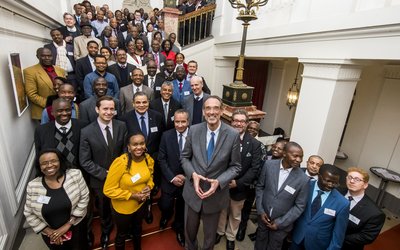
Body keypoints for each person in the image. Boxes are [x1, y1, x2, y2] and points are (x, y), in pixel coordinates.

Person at [181, 95, 241, 250]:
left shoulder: (233, 135)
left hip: (215, 196)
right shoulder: (193, 130)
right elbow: (184, 158)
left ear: (221, 111)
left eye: (216, 108)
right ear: (203, 112)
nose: (212, 112)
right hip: (192, 194)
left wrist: (219, 182)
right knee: (189, 233)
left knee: (209, 238)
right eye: (208, 108)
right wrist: (193, 175)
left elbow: (235, 166)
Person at [79, 96, 127, 249]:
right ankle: (106, 231)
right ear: (97, 109)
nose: (109, 112)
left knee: (121, 205)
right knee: (104, 208)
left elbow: (126, 151)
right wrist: (107, 174)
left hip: (122, 177)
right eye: (105, 109)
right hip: (100, 180)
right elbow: (85, 161)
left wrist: (120, 172)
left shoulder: (122, 126)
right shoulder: (86, 132)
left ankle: (124, 230)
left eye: (112, 109)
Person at [24, 149, 89, 249]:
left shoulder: (75, 175)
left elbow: (84, 198)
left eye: (53, 161)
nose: (49, 165)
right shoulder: (33, 186)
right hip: (51, 235)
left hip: (76, 228)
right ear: (40, 167)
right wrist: (51, 233)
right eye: (44, 163)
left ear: (60, 161)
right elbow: (29, 213)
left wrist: (67, 225)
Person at [216, 109, 262, 250]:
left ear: (246, 124)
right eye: (236, 120)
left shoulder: (254, 144)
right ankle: (219, 232)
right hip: (222, 184)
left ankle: (231, 236)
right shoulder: (221, 138)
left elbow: (254, 169)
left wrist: (238, 183)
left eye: (242, 121)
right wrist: (223, 179)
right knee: (221, 211)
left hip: (240, 187)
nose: (238, 124)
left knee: (235, 215)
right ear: (231, 122)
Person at [254, 141, 309, 250]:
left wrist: (280, 223)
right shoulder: (269, 165)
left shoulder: (303, 179)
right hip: (263, 218)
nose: (299, 160)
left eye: (301, 157)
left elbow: (300, 206)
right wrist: (261, 211)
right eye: (295, 156)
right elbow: (260, 187)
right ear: (284, 153)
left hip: (281, 226)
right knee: (259, 243)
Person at [103, 132, 154, 250]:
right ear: (129, 147)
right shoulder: (120, 162)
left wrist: (149, 186)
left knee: (137, 229)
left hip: (141, 203)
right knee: (122, 235)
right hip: (123, 208)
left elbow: (150, 176)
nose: (139, 147)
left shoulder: (148, 159)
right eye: (135, 144)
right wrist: (132, 195)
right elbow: (108, 190)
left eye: (142, 143)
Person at [121, 91, 165, 224]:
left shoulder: (157, 116)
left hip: (153, 161)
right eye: (138, 102)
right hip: (134, 162)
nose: (141, 105)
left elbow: (161, 138)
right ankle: (136, 211)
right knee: (137, 187)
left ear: (148, 102)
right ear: (133, 104)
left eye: (144, 102)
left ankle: (148, 209)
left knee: (149, 187)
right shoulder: (125, 119)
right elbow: (124, 142)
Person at [290, 164, 350, 250]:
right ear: (318, 176)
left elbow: (338, 235)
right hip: (296, 238)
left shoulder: (342, 203)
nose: (331, 185)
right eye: (328, 181)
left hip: (318, 245)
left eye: (335, 183)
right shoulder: (304, 186)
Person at [158, 109, 189, 246]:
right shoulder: (166, 135)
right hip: (169, 179)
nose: (180, 125)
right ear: (173, 121)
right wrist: (172, 177)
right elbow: (161, 159)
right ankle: (166, 216)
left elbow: (198, 159)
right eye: (177, 122)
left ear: (188, 121)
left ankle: (178, 229)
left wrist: (186, 177)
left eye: (183, 122)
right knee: (165, 205)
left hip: (187, 180)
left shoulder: (195, 136)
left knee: (182, 208)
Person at [34, 98, 85, 172]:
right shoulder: (41, 131)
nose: (64, 113)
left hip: (81, 174)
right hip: (55, 175)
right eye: (60, 111)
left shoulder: (83, 126)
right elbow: (40, 157)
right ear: (52, 113)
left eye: (67, 110)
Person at [341, 167, 385, 250]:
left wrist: (337, 237)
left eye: (357, 179)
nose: (352, 181)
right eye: (350, 177)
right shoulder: (336, 192)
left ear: (365, 185)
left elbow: (366, 236)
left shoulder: (375, 213)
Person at [24, 48, 66, 121]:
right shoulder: (29, 71)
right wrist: (51, 104)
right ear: (38, 56)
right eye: (43, 56)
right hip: (44, 110)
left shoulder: (60, 70)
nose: (47, 58)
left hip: (63, 109)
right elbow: (32, 94)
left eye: (49, 56)